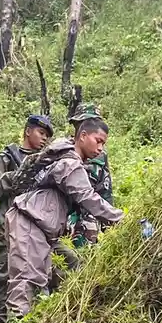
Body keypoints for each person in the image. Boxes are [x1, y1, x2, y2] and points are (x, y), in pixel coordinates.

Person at [4, 117, 125, 319]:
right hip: (29, 222)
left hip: (39, 227)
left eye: (104, 143)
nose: (101, 148)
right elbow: (89, 198)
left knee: (43, 278)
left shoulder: (69, 160)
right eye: (98, 141)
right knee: (25, 281)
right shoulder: (69, 164)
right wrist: (123, 218)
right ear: (83, 136)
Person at [0, 113, 61, 323]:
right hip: (7, 228)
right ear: (28, 131)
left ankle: (31, 321)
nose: (44, 138)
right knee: (6, 276)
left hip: (36, 230)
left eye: (47, 135)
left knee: (38, 275)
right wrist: (16, 177)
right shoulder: (8, 157)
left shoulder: (45, 160)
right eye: (41, 132)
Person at [67, 102, 115, 248]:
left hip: (91, 220)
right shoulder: (64, 150)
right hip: (66, 220)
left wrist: (109, 227)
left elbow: (105, 190)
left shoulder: (100, 155)